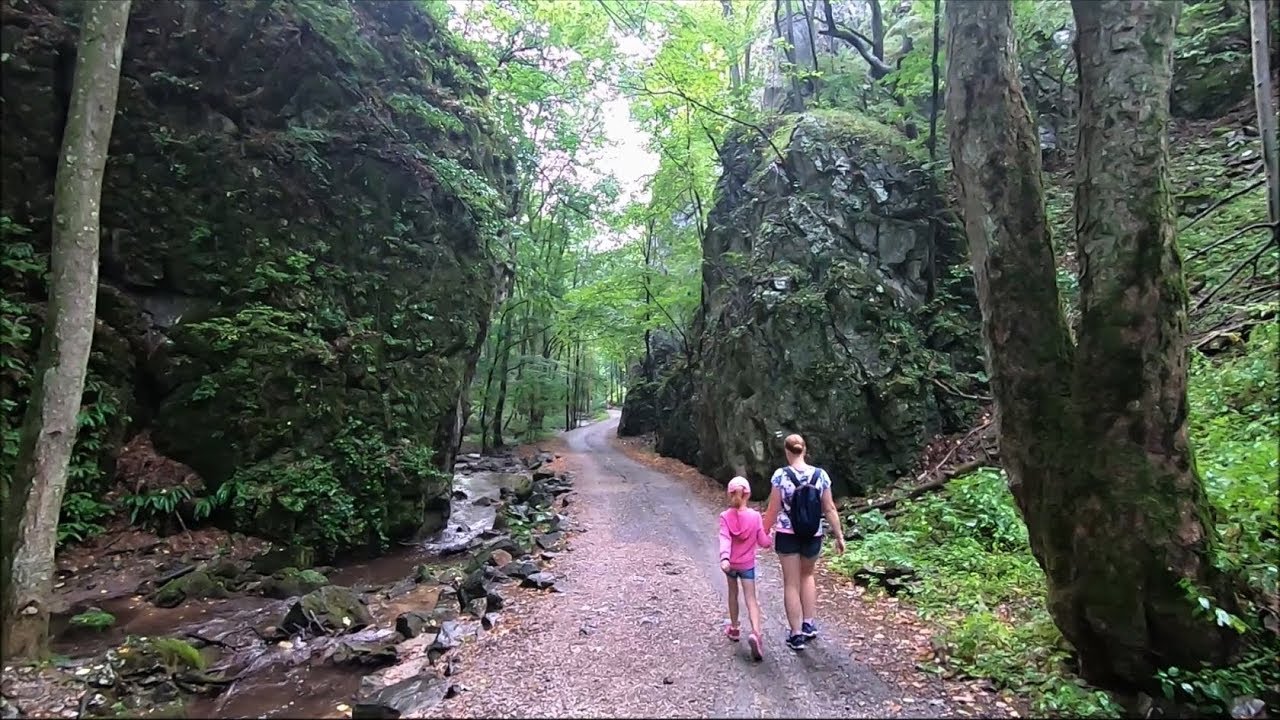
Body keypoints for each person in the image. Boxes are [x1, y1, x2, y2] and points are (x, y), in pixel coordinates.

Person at [762, 433, 846, 651]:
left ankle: (796, 634)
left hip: (788, 534)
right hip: (813, 534)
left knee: (791, 583)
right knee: (807, 575)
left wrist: (762, 531)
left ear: (787, 451)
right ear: (805, 450)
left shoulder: (781, 476)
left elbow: (773, 509)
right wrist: (839, 535)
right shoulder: (821, 475)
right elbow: (829, 508)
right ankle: (809, 623)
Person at [719, 476, 771, 661]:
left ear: (730, 494)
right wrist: (770, 537)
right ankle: (756, 633)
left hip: (731, 564)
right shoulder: (755, 516)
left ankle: (734, 628)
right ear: (748, 494)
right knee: (751, 598)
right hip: (747, 565)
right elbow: (764, 542)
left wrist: (725, 558)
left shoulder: (725, 517)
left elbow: (724, 538)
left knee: (733, 594)